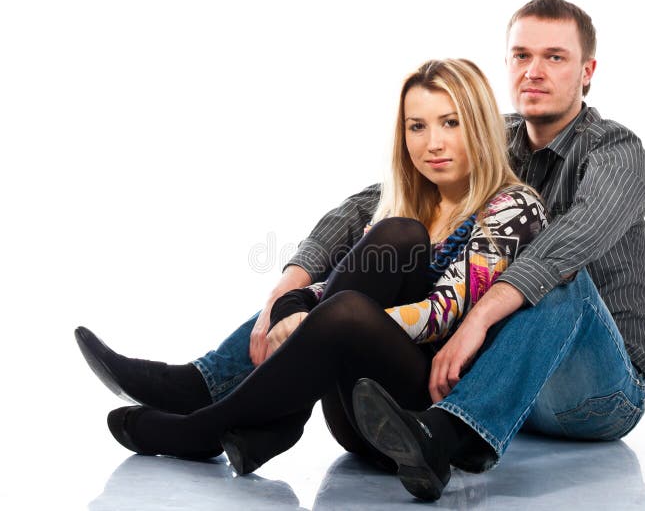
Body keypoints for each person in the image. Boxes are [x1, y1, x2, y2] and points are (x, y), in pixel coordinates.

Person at [78, 0, 645, 502]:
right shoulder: (491, 136)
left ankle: (444, 435)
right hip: (488, 368)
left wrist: (472, 321)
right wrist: (289, 291)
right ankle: (210, 384)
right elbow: (367, 205)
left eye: (554, 58)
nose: (534, 71)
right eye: (521, 56)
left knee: (557, 279)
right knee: (395, 235)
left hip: (595, 387)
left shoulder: (614, 150)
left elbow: (571, 241)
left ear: (586, 71)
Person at [75, 59, 549, 480]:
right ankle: (264, 413)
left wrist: (321, 323)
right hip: (353, 407)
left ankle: (207, 428)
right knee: (395, 237)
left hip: (416, 416)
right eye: (417, 126)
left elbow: (443, 314)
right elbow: (346, 282)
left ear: (482, 127)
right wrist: (300, 303)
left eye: (451, 123)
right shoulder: (406, 206)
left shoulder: (513, 206)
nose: (433, 143)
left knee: (348, 303)